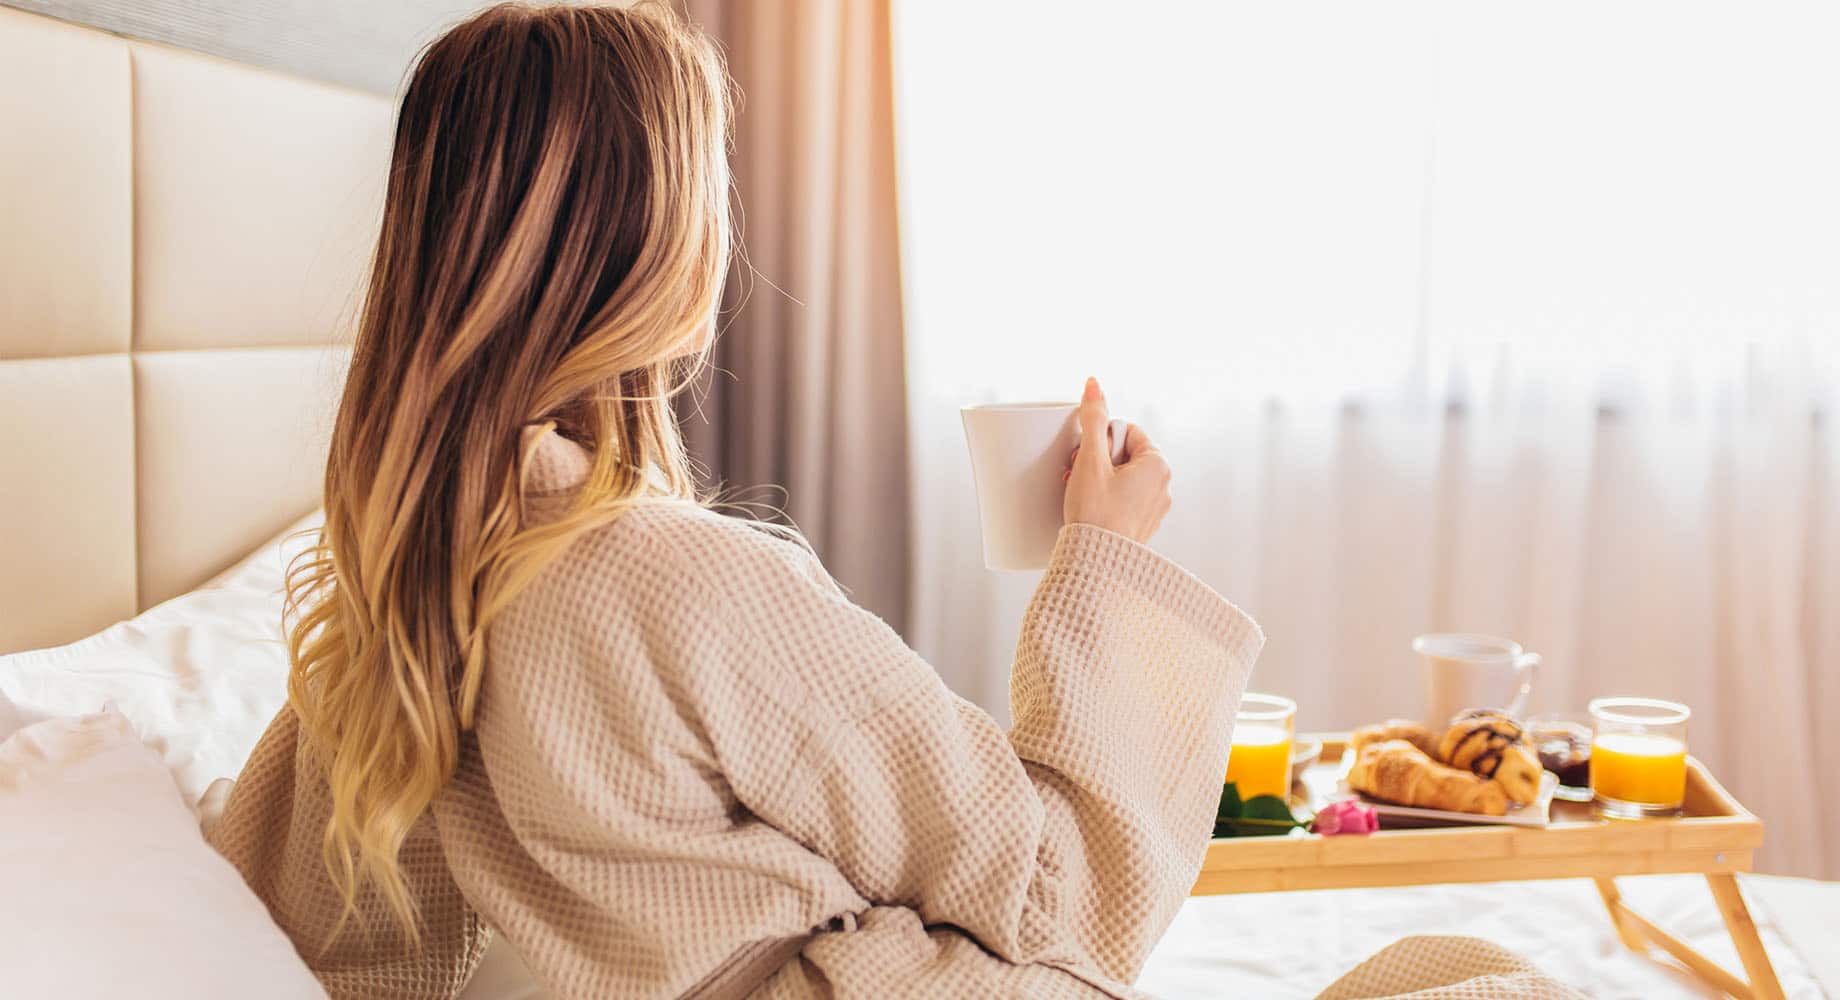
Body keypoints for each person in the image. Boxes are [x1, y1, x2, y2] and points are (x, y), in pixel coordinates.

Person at [211, 4, 1263, 997]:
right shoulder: (684, 584)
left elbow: (340, 962)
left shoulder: (396, 609)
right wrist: (1106, 558)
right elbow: (1063, 897)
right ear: (659, 240)